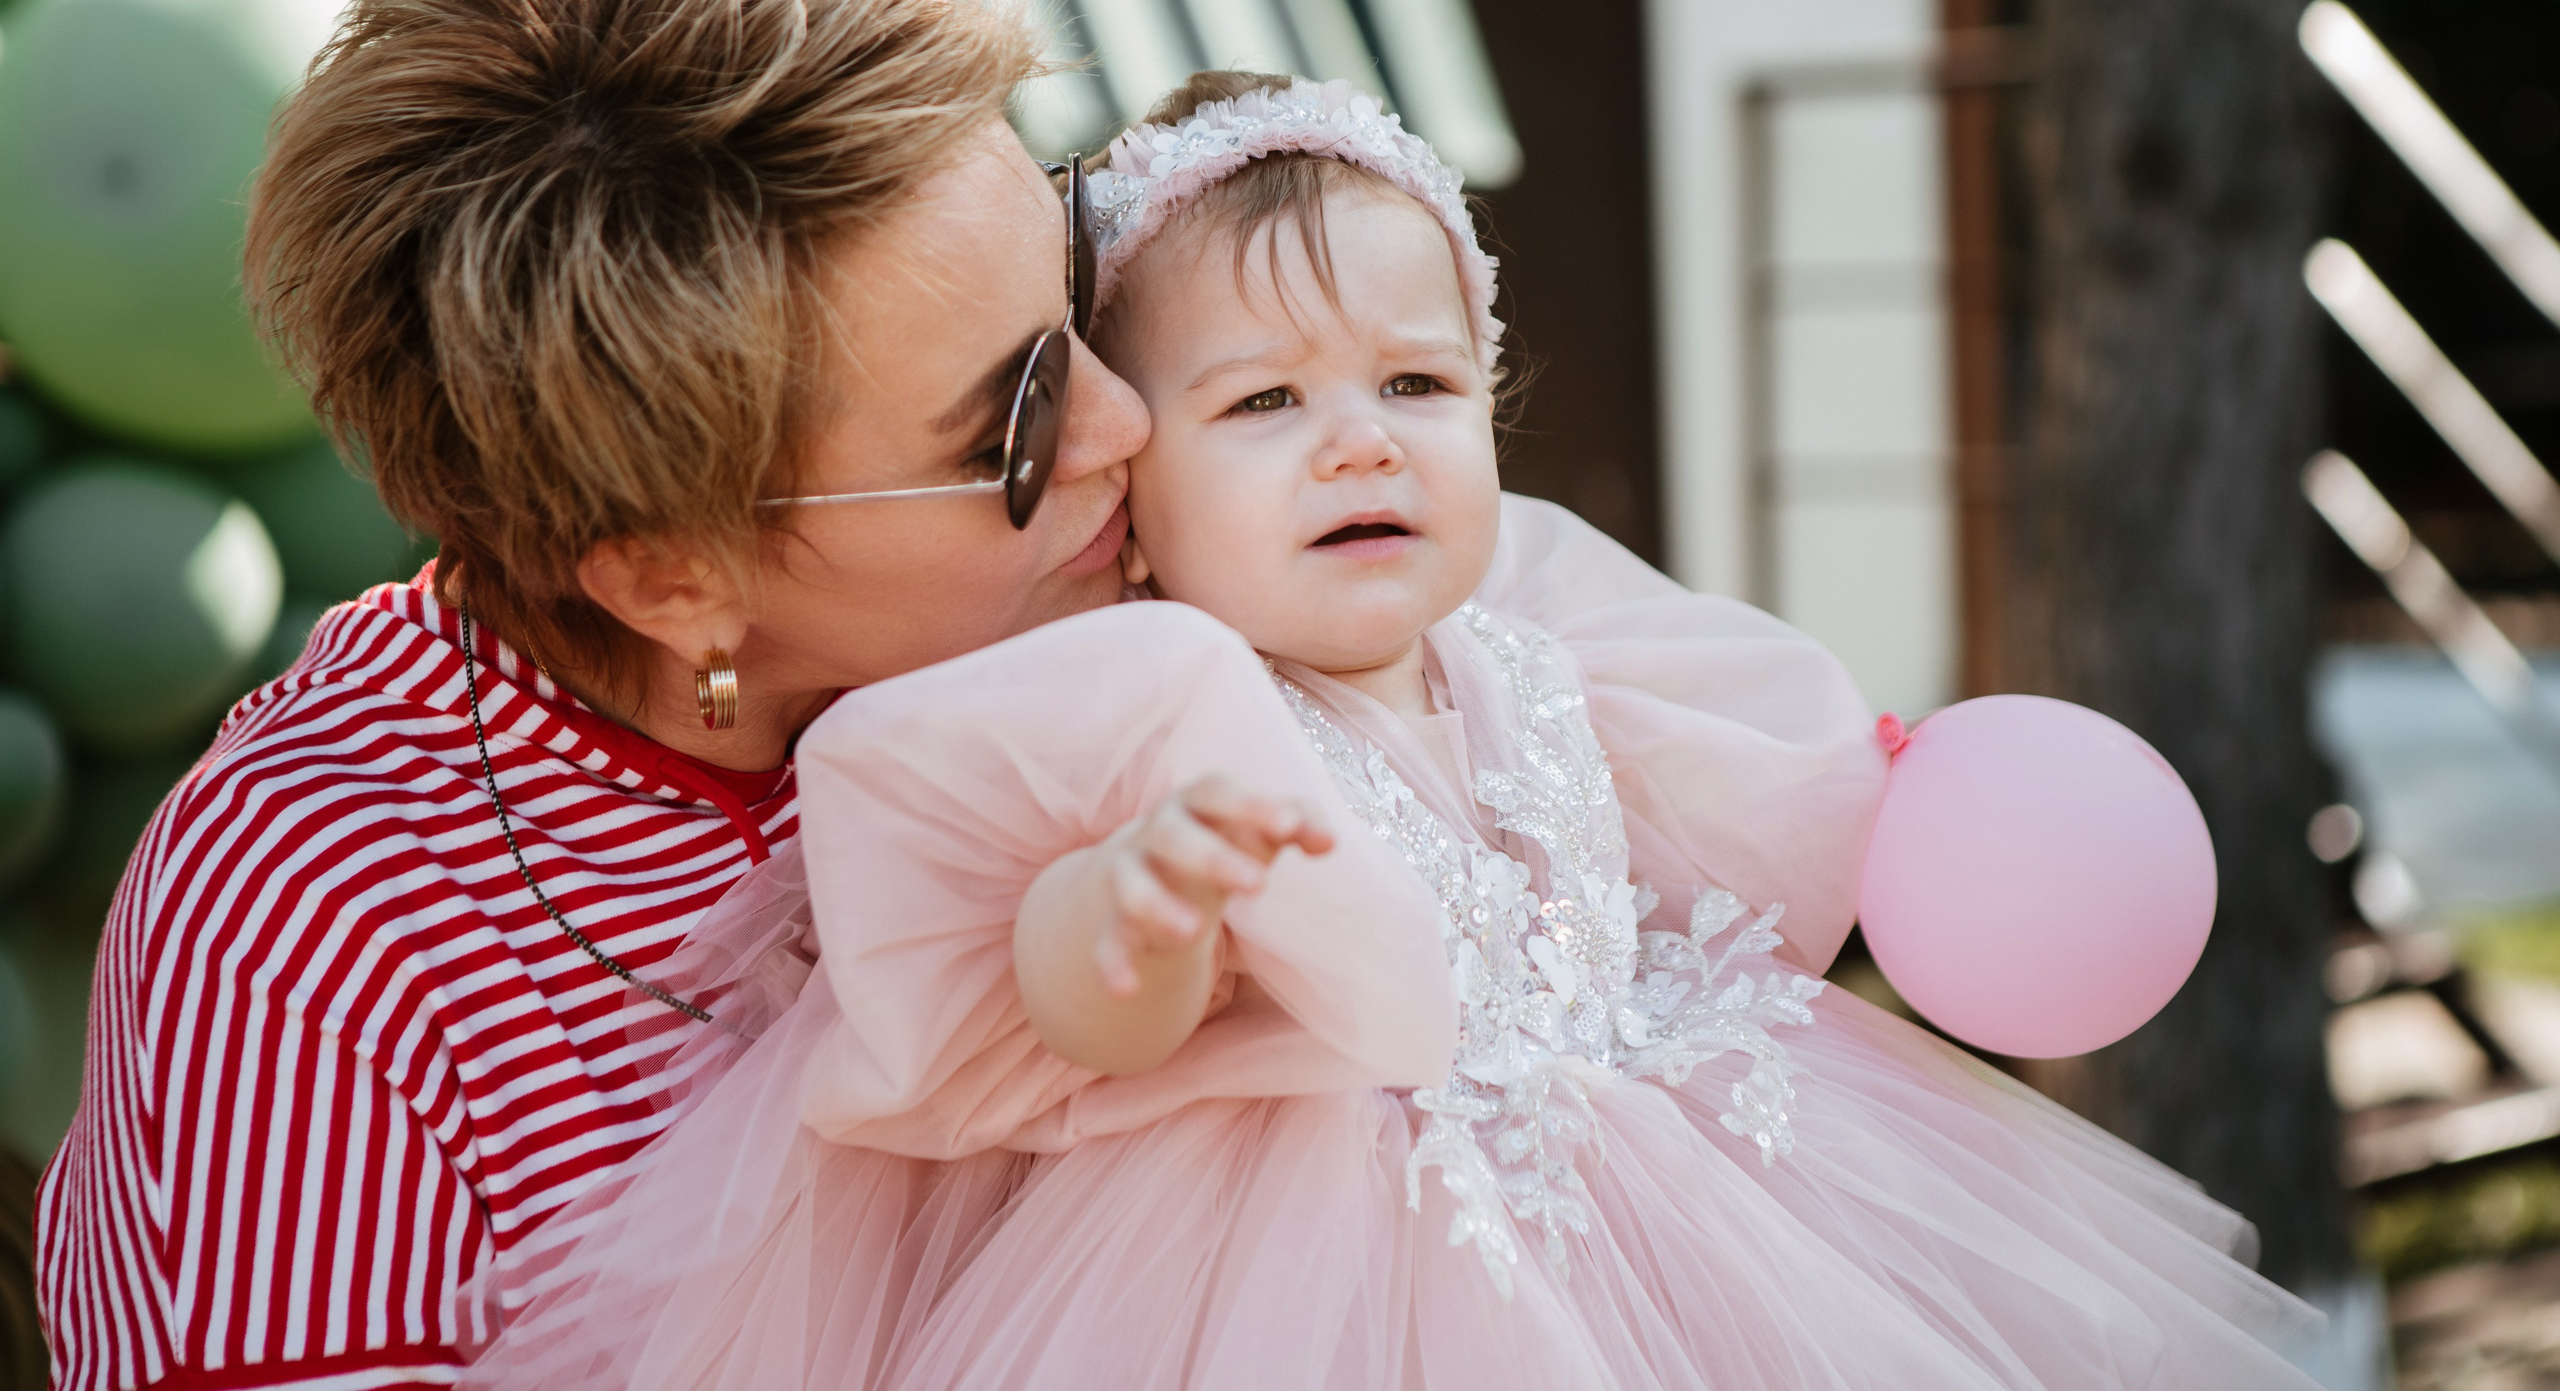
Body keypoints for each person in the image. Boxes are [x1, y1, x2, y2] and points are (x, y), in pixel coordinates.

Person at [462, 74, 2322, 1389]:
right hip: (1300, 1279)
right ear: (1126, 464)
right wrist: (1128, 914)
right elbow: (1057, 1023)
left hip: (1700, 1234)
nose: (1362, 439)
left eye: (1418, 384)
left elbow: (1778, 823)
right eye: (1261, 401)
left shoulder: (1540, 657)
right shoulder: (1140, 705)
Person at [32, 0, 1179, 1389]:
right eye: (1017, 424)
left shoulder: (1097, 622)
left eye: (1077, 299)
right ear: (667, 575)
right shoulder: (317, 934)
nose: (1131, 417)